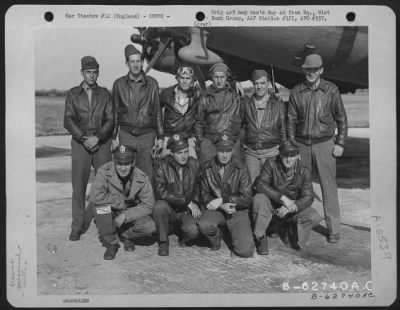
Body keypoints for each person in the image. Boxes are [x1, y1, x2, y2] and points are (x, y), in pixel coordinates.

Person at [287, 54, 348, 243]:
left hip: (324, 144)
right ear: (304, 70)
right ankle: (298, 226)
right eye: (308, 69)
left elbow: (342, 119)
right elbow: (290, 121)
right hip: (302, 144)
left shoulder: (331, 90)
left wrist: (340, 143)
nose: (311, 73)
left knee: (328, 187)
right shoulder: (296, 92)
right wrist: (292, 147)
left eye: (315, 69)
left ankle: (334, 229)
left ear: (321, 70)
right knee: (299, 187)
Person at [63, 56, 114, 241]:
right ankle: (77, 226)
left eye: (94, 72)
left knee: (105, 186)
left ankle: (105, 224)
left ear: (98, 73)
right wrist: (83, 139)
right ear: (82, 73)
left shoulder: (105, 94)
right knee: (78, 187)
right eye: (88, 72)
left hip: (102, 142)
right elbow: (67, 119)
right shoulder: (72, 94)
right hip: (80, 143)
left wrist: (98, 137)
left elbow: (111, 119)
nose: (92, 76)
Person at [252, 141, 323, 254]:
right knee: (259, 198)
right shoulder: (271, 163)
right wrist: (283, 199)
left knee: (314, 216)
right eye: (286, 155)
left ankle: (292, 233)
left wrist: (293, 206)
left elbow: (308, 196)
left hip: (290, 209)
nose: (289, 160)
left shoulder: (304, 170)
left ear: (298, 156)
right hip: (272, 206)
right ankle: (260, 236)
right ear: (280, 155)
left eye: (292, 156)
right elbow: (260, 184)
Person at [88, 145, 156, 260]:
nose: (123, 168)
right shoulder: (104, 171)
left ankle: (125, 235)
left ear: (133, 163)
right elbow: (94, 196)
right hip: (110, 209)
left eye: (127, 164)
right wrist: (118, 202)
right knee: (100, 209)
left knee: (150, 227)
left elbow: (148, 204)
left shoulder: (141, 177)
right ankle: (112, 243)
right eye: (119, 164)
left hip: (129, 212)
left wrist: (125, 216)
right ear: (114, 162)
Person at [197, 133, 255, 257]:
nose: (224, 155)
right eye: (221, 150)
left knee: (245, 251)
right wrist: (220, 205)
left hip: (236, 210)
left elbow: (247, 198)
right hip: (217, 210)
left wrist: (224, 199)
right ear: (216, 150)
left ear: (232, 150)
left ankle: (233, 232)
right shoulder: (207, 168)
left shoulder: (241, 168)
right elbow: (204, 195)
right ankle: (217, 237)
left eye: (228, 151)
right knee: (204, 225)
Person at [111, 44, 164, 180]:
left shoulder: (152, 83)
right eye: (132, 61)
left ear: (142, 62)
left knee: (146, 174)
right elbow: (115, 113)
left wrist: (161, 137)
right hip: (126, 135)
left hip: (147, 135)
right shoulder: (118, 84)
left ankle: (146, 201)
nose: (135, 65)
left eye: (138, 61)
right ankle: (127, 201)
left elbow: (158, 111)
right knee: (124, 172)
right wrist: (113, 138)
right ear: (127, 63)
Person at [152, 134, 202, 256]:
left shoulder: (195, 164)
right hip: (170, 209)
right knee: (159, 206)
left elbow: (199, 187)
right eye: (179, 153)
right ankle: (163, 241)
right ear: (171, 153)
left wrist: (195, 202)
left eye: (186, 151)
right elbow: (161, 192)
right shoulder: (161, 165)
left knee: (192, 231)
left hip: (186, 211)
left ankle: (181, 233)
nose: (184, 156)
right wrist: (186, 201)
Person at [242, 69, 287, 184]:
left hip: (271, 153)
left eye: (262, 83)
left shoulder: (278, 104)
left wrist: (284, 150)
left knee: (272, 186)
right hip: (251, 153)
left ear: (268, 84)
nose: (259, 87)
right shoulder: (246, 104)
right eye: (256, 83)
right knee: (252, 187)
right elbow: (241, 126)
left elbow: (283, 129)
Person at [195, 63, 242, 164]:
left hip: (231, 141)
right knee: (208, 174)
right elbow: (198, 122)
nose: (219, 80)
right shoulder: (205, 97)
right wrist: (202, 142)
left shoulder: (235, 96)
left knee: (233, 175)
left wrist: (237, 139)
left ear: (226, 78)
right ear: (212, 78)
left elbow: (243, 118)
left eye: (222, 77)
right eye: (216, 77)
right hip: (210, 141)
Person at [159, 66, 201, 159]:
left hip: (188, 138)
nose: (185, 81)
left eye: (188, 78)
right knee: (163, 164)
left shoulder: (197, 95)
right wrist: (160, 137)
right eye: (182, 78)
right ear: (177, 79)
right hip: (169, 136)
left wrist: (195, 137)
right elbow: (156, 115)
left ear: (192, 80)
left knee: (193, 164)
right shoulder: (166, 94)